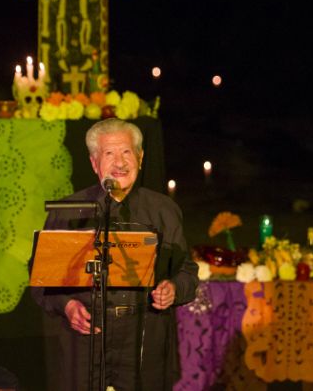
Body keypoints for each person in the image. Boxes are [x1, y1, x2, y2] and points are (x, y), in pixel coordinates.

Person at [31, 118, 199, 391]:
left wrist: (173, 288)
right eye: (109, 154)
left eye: (127, 152)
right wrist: (67, 306)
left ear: (141, 157)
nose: (120, 163)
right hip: (85, 337)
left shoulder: (163, 210)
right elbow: (41, 280)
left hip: (143, 338)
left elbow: (187, 272)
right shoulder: (68, 211)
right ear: (94, 162)